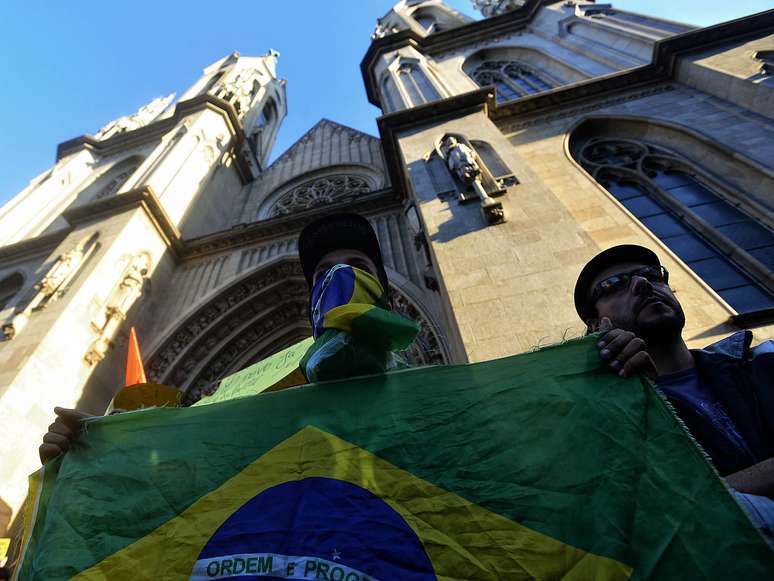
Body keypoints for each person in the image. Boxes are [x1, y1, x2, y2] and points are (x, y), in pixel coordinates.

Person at [40, 213, 418, 463]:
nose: (338, 277)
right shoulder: (271, 382)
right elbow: (185, 451)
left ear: (385, 295)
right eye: (322, 273)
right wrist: (102, 444)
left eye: (357, 268)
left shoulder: (428, 385)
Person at [574, 244, 774, 536]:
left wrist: (708, 498)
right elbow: (644, 523)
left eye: (653, 275)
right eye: (614, 285)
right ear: (595, 326)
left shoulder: (763, 360)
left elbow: (678, 509)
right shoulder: (609, 424)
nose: (643, 284)